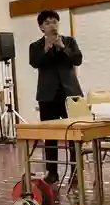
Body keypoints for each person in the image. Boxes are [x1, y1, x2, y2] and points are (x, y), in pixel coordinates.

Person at [29, 10, 83, 184]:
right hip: (47, 95)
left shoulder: (69, 41)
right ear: (41, 28)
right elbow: (35, 62)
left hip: (70, 94)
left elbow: (77, 60)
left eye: (54, 21)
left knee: (74, 134)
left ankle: (76, 169)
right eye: (47, 23)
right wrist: (47, 48)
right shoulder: (36, 46)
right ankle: (52, 172)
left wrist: (62, 47)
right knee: (50, 135)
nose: (52, 25)